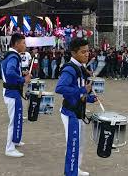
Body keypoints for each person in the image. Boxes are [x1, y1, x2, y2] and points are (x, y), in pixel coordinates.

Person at [55, 38, 97, 176]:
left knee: (80, 144)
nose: (87, 54)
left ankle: (75, 169)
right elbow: (60, 88)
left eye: (88, 51)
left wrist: (90, 98)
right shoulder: (69, 69)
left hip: (78, 111)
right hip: (70, 113)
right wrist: (83, 90)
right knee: (73, 144)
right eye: (83, 52)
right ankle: (70, 172)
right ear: (73, 53)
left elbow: (78, 91)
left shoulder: (80, 67)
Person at [1, 33, 31, 157]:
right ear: (16, 44)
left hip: (11, 92)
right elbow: (9, 72)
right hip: (11, 93)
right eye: (23, 43)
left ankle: (15, 140)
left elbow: (12, 72)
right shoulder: (13, 57)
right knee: (14, 121)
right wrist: (23, 80)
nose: (25, 45)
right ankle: (9, 148)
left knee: (17, 118)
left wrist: (21, 74)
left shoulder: (10, 56)